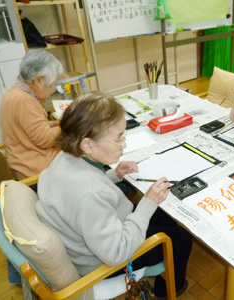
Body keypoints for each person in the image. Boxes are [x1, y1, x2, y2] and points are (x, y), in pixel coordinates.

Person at [35, 93, 192, 299]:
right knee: (181, 238)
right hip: (101, 259)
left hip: (90, 235)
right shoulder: (90, 194)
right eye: (119, 137)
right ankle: (169, 289)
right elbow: (116, 253)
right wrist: (148, 203)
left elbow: (84, 193)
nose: (124, 144)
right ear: (87, 144)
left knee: (165, 217)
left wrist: (113, 174)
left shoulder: (66, 156)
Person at [0, 49, 63, 180]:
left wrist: (53, 124)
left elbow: (30, 128)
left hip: (28, 160)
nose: (54, 88)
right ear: (39, 80)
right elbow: (45, 140)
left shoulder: (16, 94)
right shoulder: (23, 101)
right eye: (54, 82)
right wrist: (66, 123)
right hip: (36, 169)